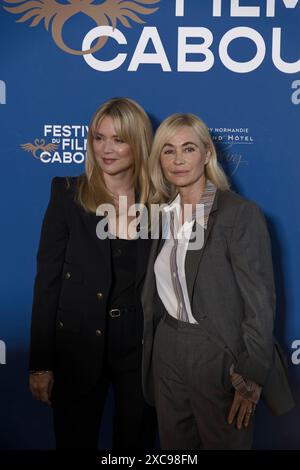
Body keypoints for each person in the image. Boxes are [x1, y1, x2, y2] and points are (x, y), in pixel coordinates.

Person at [141, 113, 294, 450]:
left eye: (188, 148)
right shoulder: (161, 213)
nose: (178, 159)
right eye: (167, 150)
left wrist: (250, 375)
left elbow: (259, 302)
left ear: (207, 154)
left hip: (218, 352)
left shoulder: (240, 214)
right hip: (167, 346)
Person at [29, 97, 156, 451]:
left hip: (139, 347)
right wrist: (40, 364)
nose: (106, 149)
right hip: (78, 343)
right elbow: (47, 282)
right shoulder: (67, 194)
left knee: (136, 446)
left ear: (139, 142)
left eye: (118, 139)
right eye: (98, 138)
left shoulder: (160, 202)